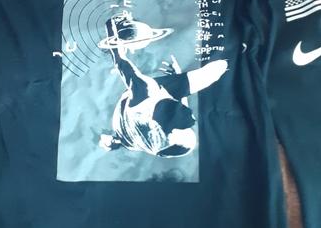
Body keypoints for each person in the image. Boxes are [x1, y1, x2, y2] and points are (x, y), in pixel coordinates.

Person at [98, 15, 229, 157]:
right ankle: (231, 58)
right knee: (210, 75)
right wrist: (177, 74)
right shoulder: (161, 137)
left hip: (140, 112)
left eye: (184, 124)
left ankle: (231, 57)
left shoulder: (144, 92)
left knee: (210, 74)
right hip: (143, 131)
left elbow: (119, 60)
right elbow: (177, 115)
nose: (192, 118)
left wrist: (111, 26)